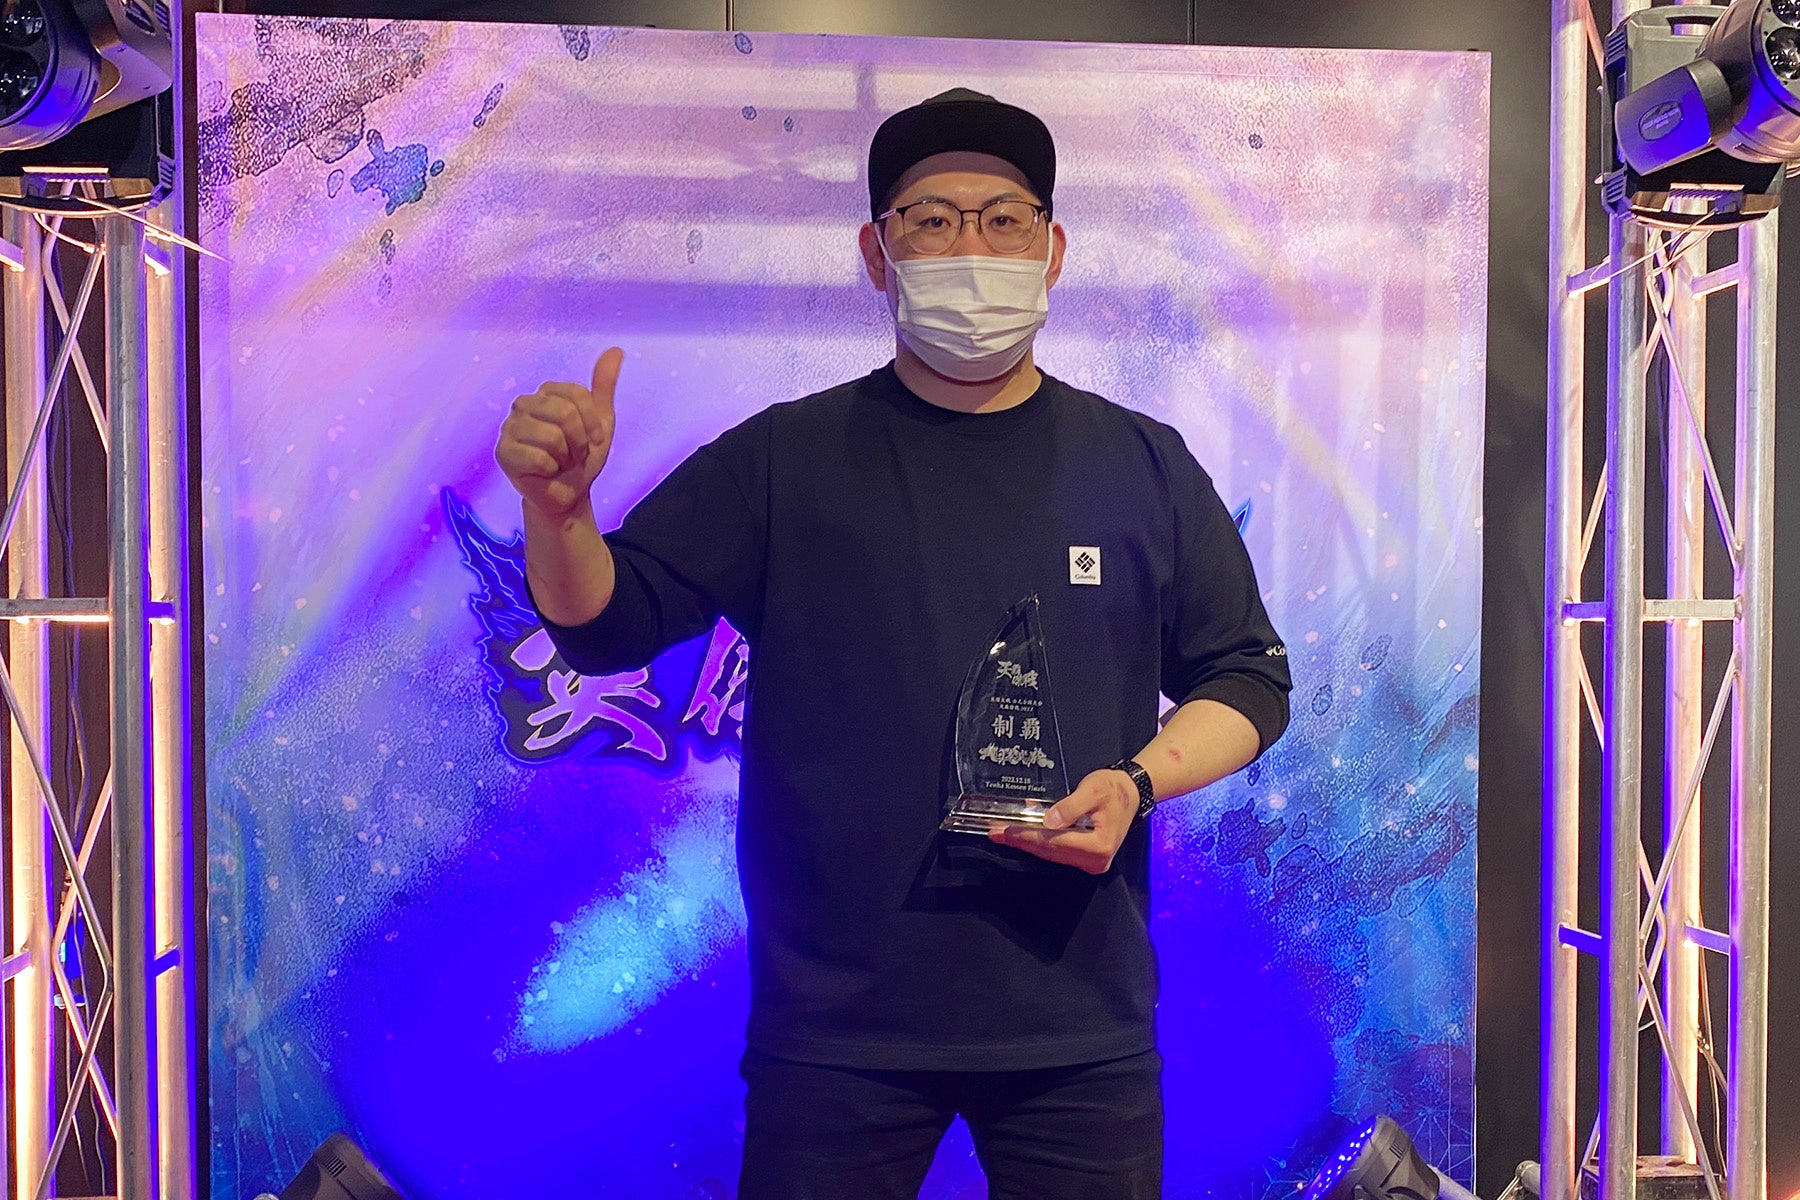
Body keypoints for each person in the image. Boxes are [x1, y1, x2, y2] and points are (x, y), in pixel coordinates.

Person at [493, 87, 1292, 1200]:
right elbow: (607, 627)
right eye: (932, 220)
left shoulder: (1142, 465)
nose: (971, 247)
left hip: (1078, 1026)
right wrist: (561, 516)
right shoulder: (786, 459)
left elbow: (1247, 677)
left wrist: (1137, 782)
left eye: (1004, 219)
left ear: (1053, 250)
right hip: (836, 1032)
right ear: (877, 255)